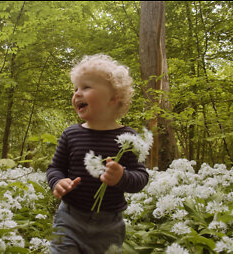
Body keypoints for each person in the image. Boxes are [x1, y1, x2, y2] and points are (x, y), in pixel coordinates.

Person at [46, 54, 149, 254]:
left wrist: (122, 177)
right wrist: (57, 182)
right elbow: (55, 168)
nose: (77, 94)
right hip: (69, 218)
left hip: (109, 225)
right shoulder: (71, 134)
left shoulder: (128, 138)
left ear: (113, 99)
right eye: (75, 88)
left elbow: (141, 176)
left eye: (86, 87)